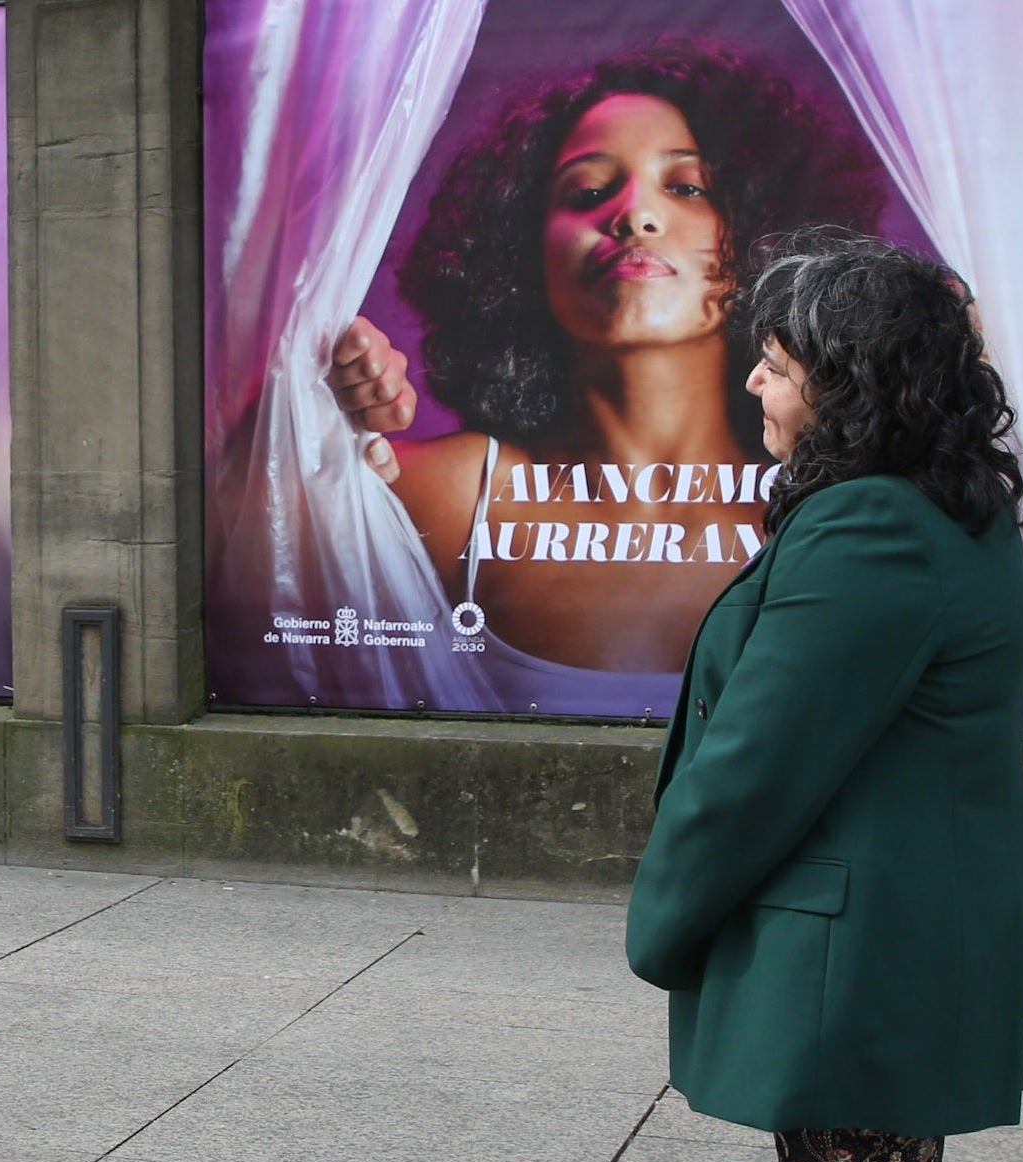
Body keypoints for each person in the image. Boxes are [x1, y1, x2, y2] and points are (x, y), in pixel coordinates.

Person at [624, 234, 1023, 1162]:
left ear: (847, 384)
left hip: (858, 984)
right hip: (890, 975)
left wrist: (658, 922)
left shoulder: (869, 531)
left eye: (779, 363)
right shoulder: (940, 512)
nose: (752, 381)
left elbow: (754, 765)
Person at [328, 42, 880, 688]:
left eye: (687, 186)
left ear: (767, 232)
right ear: (519, 246)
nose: (634, 216)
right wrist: (316, 395)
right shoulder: (448, 497)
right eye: (587, 189)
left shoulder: (837, 509)